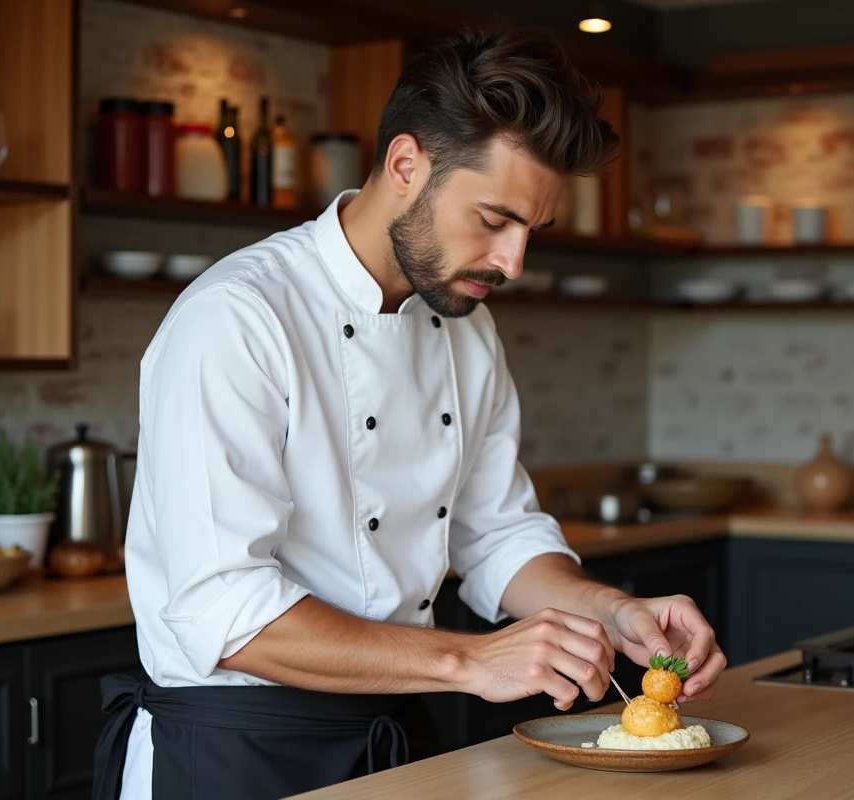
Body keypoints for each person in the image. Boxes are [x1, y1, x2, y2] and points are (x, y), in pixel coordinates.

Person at [93, 25, 726, 800]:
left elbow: (495, 536)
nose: (514, 262)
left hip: (395, 739)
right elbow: (224, 612)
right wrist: (469, 661)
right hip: (235, 752)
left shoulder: (467, 328)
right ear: (405, 165)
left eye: (534, 231)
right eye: (495, 220)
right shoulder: (237, 318)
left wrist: (617, 612)